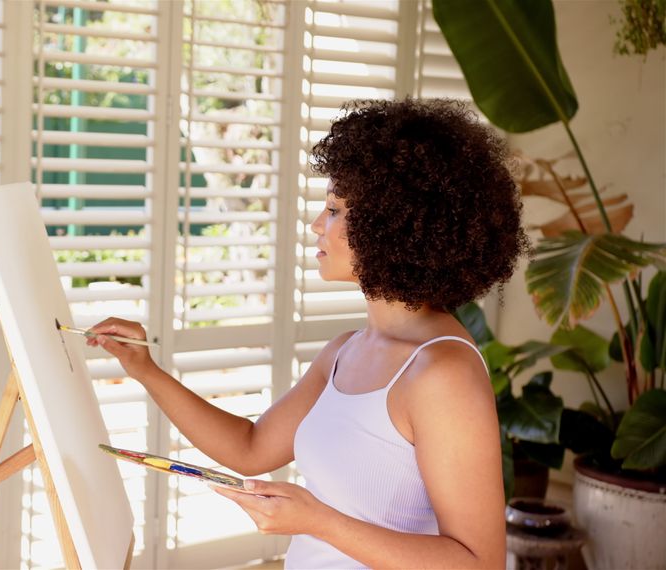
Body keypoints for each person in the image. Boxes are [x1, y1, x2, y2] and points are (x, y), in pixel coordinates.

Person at [87, 98, 529, 568]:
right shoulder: (344, 352)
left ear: (393, 225)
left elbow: (479, 563)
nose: (318, 225)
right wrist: (145, 370)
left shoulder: (443, 372)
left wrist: (319, 521)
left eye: (336, 210)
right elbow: (251, 447)